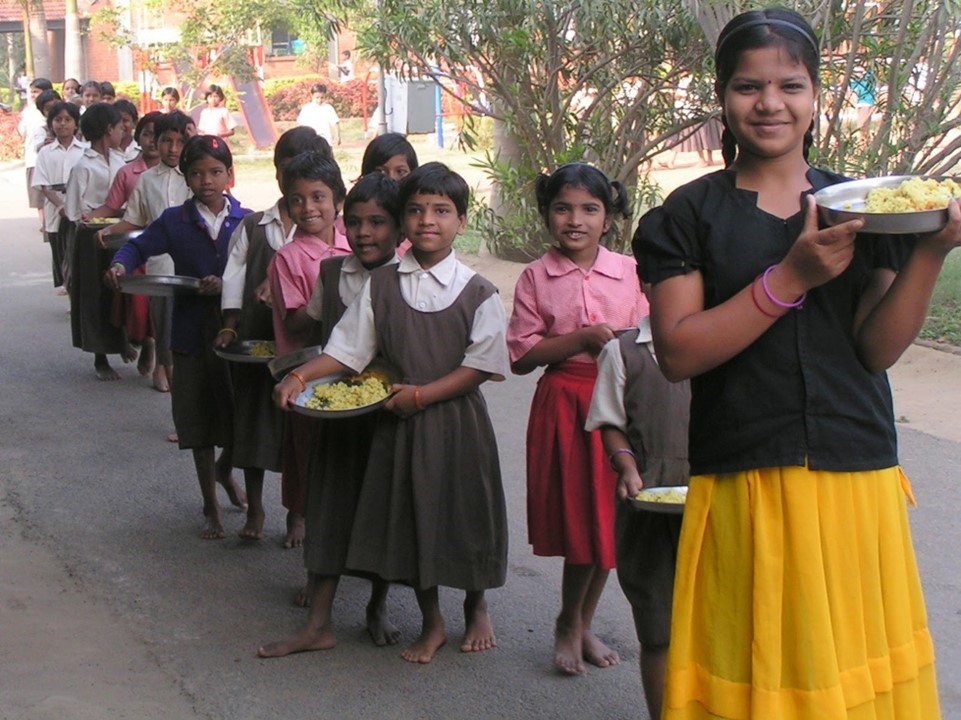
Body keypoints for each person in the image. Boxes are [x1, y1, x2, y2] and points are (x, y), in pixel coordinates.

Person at [632, 8, 952, 718]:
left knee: (847, 673)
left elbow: (876, 350)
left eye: (789, 85)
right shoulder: (686, 215)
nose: (769, 103)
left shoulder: (861, 208)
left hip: (854, 474)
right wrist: (790, 279)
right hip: (748, 477)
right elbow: (679, 353)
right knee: (762, 676)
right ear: (721, 96)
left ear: (814, 98)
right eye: (748, 87)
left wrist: (929, 249)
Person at [273, 162, 509, 665]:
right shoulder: (381, 287)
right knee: (412, 519)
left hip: (454, 423)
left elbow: (480, 367)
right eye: (417, 210)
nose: (428, 220)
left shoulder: (478, 291)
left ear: (462, 222)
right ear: (404, 222)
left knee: (464, 515)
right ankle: (433, 623)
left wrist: (423, 396)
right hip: (400, 426)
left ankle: (474, 607)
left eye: (442, 211)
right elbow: (349, 350)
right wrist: (299, 377)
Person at [506, 162, 646, 675]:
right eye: (563, 207)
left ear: (607, 219)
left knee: (611, 521)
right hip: (566, 405)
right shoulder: (535, 278)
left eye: (590, 209)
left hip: (622, 409)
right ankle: (567, 620)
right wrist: (581, 340)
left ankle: (584, 622)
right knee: (581, 523)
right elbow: (521, 356)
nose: (576, 219)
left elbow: (648, 342)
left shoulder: (631, 273)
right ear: (547, 215)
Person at [258, 172, 404, 658]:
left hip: (389, 412)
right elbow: (315, 326)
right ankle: (318, 621)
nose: (364, 233)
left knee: (380, 512)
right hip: (335, 410)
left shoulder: (408, 277)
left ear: (399, 228)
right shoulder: (331, 273)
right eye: (356, 223)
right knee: (327, 506)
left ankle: (377, 605)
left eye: (378, 223)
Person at [106, 135, 250, 540]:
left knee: (242, 416)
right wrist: (119, 266)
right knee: (197, 418)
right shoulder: (174, 220)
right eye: (197, 172)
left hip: (236, 332)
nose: (207, 180)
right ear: (186, 178)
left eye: (215, 171)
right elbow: (136, 249)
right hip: (188, 331)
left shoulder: (248, 221)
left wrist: (227, 284)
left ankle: (227, 469)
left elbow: (261, 271)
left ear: (230, 176)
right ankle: (210, 504)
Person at [217, 127, 333, 542]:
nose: (304, 200)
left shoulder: (337, 229)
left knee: (299, 437)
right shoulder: (254, 226)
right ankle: (256, 508)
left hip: (308, 352)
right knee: (255, 428)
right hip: (260, 338)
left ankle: (296, 517)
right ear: (277, 174)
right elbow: (233, 278)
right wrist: (231, 322)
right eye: (288, 173)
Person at [585, 307, 690, 720]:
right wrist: (626, 466)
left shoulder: (724, 342)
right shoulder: (623, 350)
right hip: (647, 495)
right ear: (643, 283)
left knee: (722, 622)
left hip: (718, 495)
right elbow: (611, 422)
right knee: (658, 626)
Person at [265, 152, 350, 550]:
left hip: (355, 371)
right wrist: (325, 296)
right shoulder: (288, 258)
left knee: (344, 464)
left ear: (338, 200)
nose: (308, 208)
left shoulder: (358, 242)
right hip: (308, 371)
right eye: (296, 200)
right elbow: (296, 322)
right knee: (308, 460)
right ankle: (308, 539)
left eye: (318, 197)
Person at [98, 110, 195, 395]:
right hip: (160, 273)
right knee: (166, 337)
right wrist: (108, 231)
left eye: (180, 142)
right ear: (155, 141)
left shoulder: (195, 177)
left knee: (191, 341)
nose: (173, 149)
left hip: (194, 272)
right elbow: (136, 220)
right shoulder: (147, 179)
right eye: (166, 141)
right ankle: (179, 410)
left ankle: (188, 410)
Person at [64, 102, 129, 381]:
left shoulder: (120, 161)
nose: (123, 130)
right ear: (108, 129)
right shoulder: (83, 166)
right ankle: (100, 356)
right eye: (118, 126)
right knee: (95, 294)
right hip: (91, 236)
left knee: (124, 290)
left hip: (120, 231)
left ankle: (128, 340)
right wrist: (91, 218)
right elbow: (72, 210)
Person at [32, 100, 85, 291]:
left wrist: (72, 205)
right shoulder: (45, 153)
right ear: (51, 124)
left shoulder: (84, 151)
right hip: (56, 210)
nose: (63, 124)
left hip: (80, 208)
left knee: (77, 253)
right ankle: (66, 286)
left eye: (68, 119)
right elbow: (43, 184)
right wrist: (61, 205)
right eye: (58, 120)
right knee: (60, 252)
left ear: (76, 123)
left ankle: (75, 292)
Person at [18, 77, 55, 232]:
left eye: (37, 91)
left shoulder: (55, 111)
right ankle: (43, 221)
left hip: (52, 159)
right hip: (33, 158)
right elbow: (22, 132)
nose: (33, 95)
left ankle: (48, 221)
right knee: (38, 195)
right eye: (31, 92)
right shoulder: (28, 112)